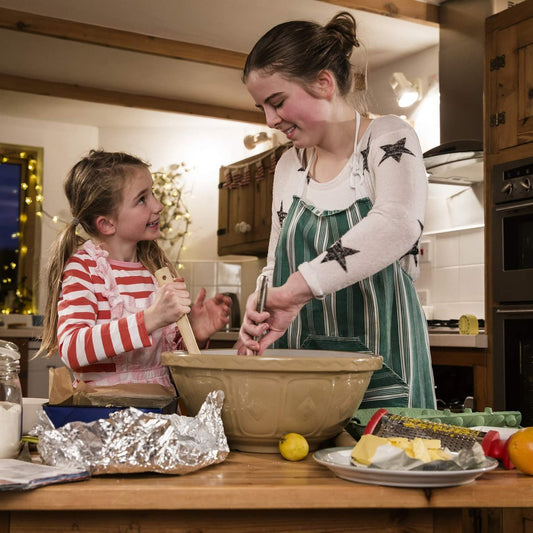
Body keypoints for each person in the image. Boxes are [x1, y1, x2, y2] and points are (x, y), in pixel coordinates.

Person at [237, 12, 436, 409]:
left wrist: (297, 288)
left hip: (385, 371)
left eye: (277, 102)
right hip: (300, 370)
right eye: (262, 107)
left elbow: (397, 223)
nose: (270, 120)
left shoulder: (388, 138)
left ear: (324, 83)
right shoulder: (289, 165)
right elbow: (275, 259)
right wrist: (262, 301)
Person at [39, 149, 231, 390]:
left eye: (153, 194)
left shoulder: (155, 269)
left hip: (159, 406)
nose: (158, 205)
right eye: (142, 199)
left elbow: (165, 358)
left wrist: (194, 331)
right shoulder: (85, 269)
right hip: (105, 411)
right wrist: (150, 318)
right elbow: (73, 349)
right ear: (107, 223)